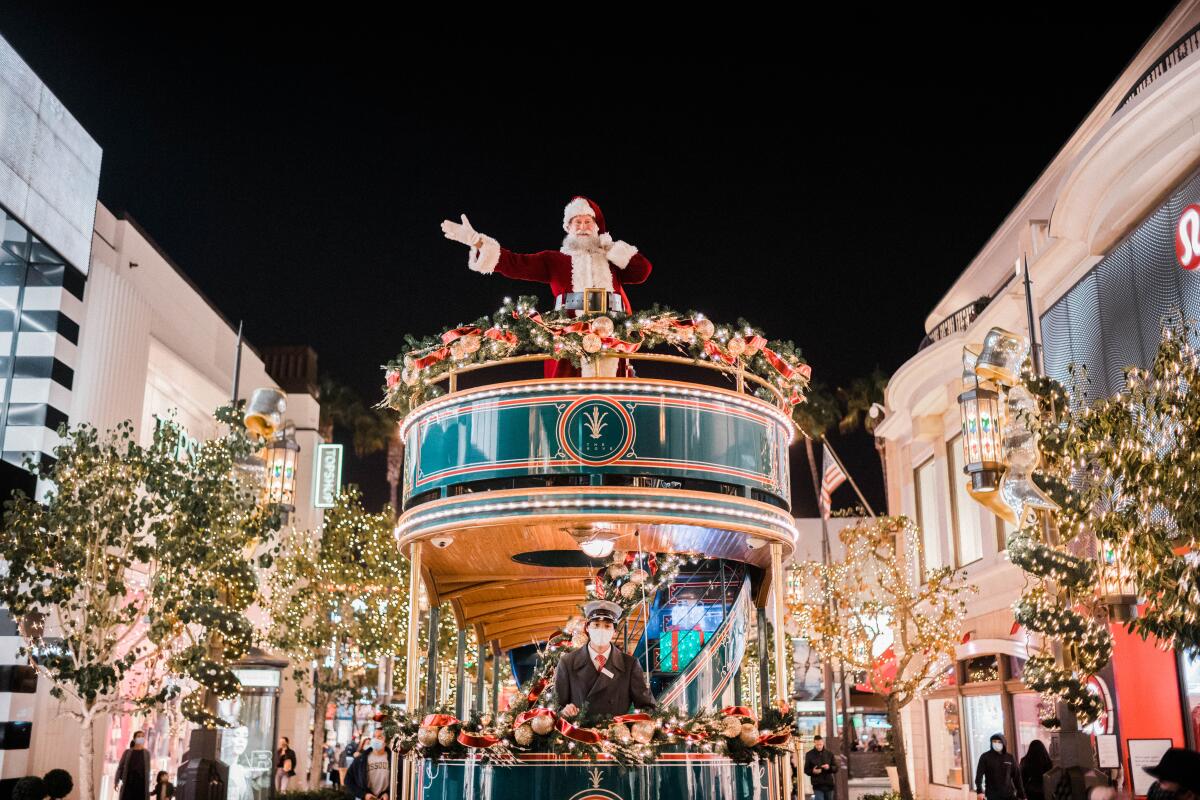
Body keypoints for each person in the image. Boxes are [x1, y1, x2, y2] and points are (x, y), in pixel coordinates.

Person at [441, 196, 652, 378]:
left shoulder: (611, 259)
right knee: (565, 396)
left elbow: (642, 272)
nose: (582, 226)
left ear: (597, 228)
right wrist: (477, 241)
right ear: (567, 228)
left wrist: (614, 248)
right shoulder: (554, 260)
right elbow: (513, 263)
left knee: (614, 392)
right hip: (567, 337)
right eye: (576, 222)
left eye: (588, 222)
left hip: (612, 337)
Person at [554, 599, 656, 720]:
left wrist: (635, 725)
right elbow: (557, 707)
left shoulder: (630, 664)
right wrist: (564, 712)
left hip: (616, 735)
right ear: (587, 627)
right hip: (579, 735)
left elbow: (647, 707)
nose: (601, 630)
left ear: (614, 631)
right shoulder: (567, 662)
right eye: (596, 625)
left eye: (607, 626)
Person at [975, 733, 1024, 800]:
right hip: (992, 796)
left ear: (1003, 743)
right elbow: (979, 775)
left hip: (1009, 795)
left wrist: (1022, 795)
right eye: (994, 742)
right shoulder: (985, 757)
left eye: (999, 742)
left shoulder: (1010, 757)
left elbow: (1017, 778)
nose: (996, 743)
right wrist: (979, 791)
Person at [345, 729, 390, 800]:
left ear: (386, 741)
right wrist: (364, 795)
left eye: (380, 737)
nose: (375, 739)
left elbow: (400, 782)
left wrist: (388, 794)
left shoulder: (394, 760)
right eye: (374, 736)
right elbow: (348, 780)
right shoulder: (360, 760)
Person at [115, 730, 151, 800]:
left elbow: (147, 771)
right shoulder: (127, 752)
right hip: (128, 782)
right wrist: (116, 781)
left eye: (142, 737)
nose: (141, 738)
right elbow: (120, 768)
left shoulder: (147, 753)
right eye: (139, 736)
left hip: (141, 784)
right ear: (134, 739)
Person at [803, 735, 838, 800]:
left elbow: (836, 768)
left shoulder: (829, 754)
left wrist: (829, 767)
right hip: (817, 785)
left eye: (820, 744)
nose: (819, 746)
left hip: (829, 784)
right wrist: (813, 771)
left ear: (823, 743)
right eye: (817, 745)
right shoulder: (809, 754)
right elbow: (806, 770)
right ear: (814, 743)